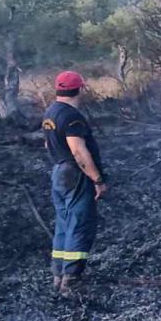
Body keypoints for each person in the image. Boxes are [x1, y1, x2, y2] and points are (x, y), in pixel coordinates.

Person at [42, 71, 106, 293]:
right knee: (79, 223)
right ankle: (72, 279)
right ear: (79, 89)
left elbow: (48, 145)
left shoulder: (50, 113)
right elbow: (78, 151)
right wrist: (97, 179)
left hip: (59, 171)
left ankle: (58, 274)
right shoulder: (71, 117)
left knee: (64, 222)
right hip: (74, 174)